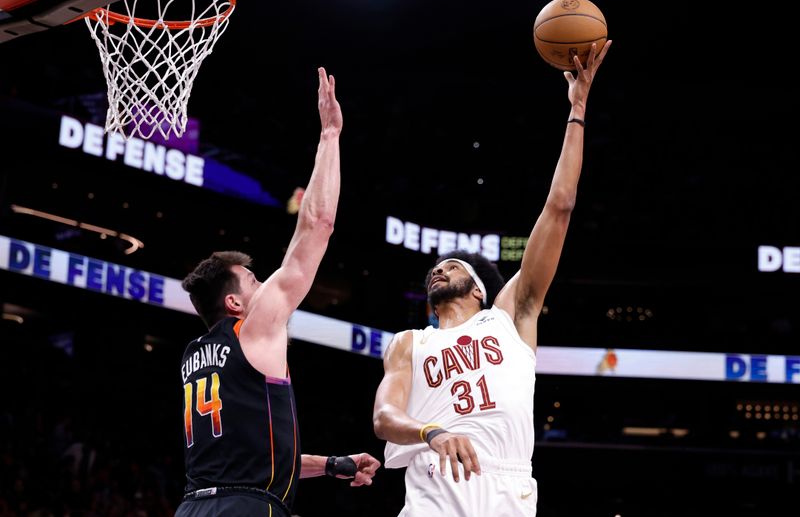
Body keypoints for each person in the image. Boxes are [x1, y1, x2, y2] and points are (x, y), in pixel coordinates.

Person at [372, 41, 612, 516]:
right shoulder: (409, 343)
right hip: (436, 481)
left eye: (453, 265)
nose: (439, 268)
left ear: (480, 289)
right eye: (435, 270)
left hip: (508, 485)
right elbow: (384, 417)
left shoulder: (509, 316)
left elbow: (559, 206)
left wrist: (578, 109)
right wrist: (431, 432)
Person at [175, 67, 381, 517]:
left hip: (194, 507)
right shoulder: (251, 329)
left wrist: (330, 465)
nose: (265, 285)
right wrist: (330, 135)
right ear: (233, 303)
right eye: (254, 282)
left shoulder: (194, 355)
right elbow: (317, 227)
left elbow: (250, 462)